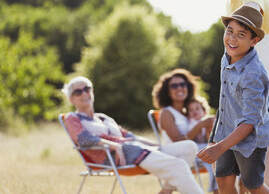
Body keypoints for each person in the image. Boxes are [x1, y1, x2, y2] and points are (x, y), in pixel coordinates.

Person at [213, 0, 269, 193]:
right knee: (241, 151)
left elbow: (252, 11)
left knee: (259, 148)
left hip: (266, 81)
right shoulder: (230, 0)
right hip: (239, 82)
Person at [62, 76, 204, 194]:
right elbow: (83, 139)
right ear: (71, 99)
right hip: (113, 158)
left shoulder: (104, 118)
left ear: (92, 91)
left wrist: (155, 145)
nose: (84, 93)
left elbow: (130, 135)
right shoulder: (72, 118)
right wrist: (115, 146)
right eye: (78, 92)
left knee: (189, 147)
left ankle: (166, 190)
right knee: (177, 165)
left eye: (87, 89)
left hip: (135, 149)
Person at [197, 4, 269, 194]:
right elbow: (224, 102)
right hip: (226, 133)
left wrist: (218, 148)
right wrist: (215, 140)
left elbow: (250, 122)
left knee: (252, 186)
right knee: (223, 182)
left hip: (251, 141)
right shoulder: (227, 57)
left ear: (254, 41)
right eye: (229, 31)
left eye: (241, 35)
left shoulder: (253, 74)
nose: (232, 39)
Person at [152, 69, 219, 193]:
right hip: (176, 153)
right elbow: (177, 141)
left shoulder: (188, 114)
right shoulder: (167, 113)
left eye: (183, 84)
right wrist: (200, 126)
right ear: (167, 91)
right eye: (174, 86)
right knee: (215, 156)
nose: (179, 88)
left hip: (193, 152)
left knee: (219, 152)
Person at [186, 96, 218, 194]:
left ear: (204, 111)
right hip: (196, 149)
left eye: (197, 109)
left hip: (206, 146)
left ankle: (218, 185)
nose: (194, 111)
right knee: (212, 160)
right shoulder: (190, 123)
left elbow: (210, 139)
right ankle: (216, 187)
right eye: (191, 110)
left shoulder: (207, 121)